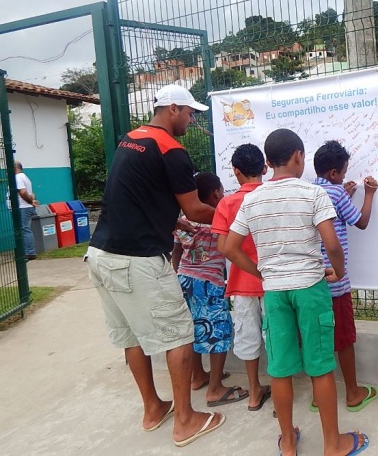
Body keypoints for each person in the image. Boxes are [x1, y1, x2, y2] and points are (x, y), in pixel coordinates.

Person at [85, 84, 225, 447]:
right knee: (179, 334)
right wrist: (234, 216)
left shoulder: (130, 140)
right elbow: (196, 208)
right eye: (190, 113)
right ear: (173, 109)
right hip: (139, 260)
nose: (191, 120)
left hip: (100, 255)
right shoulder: (172, 150)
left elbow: (135, 195)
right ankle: (186, 421)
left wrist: (170, 220)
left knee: (132, 335)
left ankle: (153, 408)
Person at [224, 128, 370, 456]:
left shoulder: (252, 199)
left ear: (267, 162)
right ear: (298, 157)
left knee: (279, 368)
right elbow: (332, 244)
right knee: (320, 365)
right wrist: (339, 271)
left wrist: (261, 272)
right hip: (310, 288)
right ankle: (333, 444)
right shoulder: (313, 193)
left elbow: (230, 248)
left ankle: (288, 442)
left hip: (274, 292)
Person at [311, 140, 378, 412]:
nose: (344, 177)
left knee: (318, 340)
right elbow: (360, 222)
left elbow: (329, 219)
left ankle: (318, 396)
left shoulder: (309, 191)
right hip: (336, 284)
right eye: (343, 172)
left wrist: (344, 196)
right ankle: (352, 392)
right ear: (333, 173)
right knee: (344, 338)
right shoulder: (337, 193)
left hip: (313, 283)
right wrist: (369, 194)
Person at [172, 172, 248, 407]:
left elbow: (177, 252)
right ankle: (215, 388)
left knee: (192, 329)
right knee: (218, 331)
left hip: (184, 279)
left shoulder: (185, 218)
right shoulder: (218, 219)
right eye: (223, 191)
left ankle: (198, 376)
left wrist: (178, 278)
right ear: (216, 193)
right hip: (209, 283)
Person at [211, 144, 272, 412]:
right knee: (277, 337)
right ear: (264, 169)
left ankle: (254, 392)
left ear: (236, 172)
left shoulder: (226, 203)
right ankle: (283, 393)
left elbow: (223, 247)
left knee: (248, 337)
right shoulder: (271, 198)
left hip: (241, 283)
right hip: (273, 282)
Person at [7, 161, 40, 260]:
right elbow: (31, 193)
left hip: (22, 208)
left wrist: (31, 201)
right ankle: (27, 252)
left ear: (15, 168)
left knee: (24, 230)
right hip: (24, 207)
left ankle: (29, 252)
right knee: (24, 230)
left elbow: (23, 192)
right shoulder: (25, 177)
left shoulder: (18, 177)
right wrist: (32, 200)